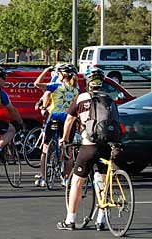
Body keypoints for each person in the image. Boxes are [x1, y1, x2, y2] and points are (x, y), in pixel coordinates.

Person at [57, 68, 109, 231]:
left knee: (77, 181)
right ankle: (101, 220)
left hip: (89, 145)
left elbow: (69, 119)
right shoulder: (108, 99)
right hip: (106, 146)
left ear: (88, 82)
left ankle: (70, 220)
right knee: (103, 183)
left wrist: (64, 138)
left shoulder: (82, 98)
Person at [34, 63, 79, 187]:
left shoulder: (56, 85)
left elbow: (37, 84)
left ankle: (43, 178)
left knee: (45, 148)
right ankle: (65, 179)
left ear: (61, 75)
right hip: (69, 120)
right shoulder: (76, 89)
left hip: (54, 117)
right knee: (68, 149)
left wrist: (45, 71)